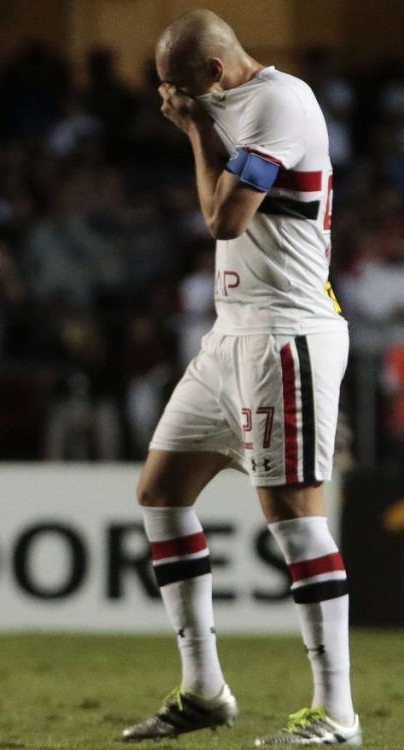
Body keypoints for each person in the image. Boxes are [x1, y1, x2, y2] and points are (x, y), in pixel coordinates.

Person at [122, 10, 359, 746]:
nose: (174, 101)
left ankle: (337, 711)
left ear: (215, 74)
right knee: (160, 492)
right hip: (231, 333)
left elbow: (225, 217)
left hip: (285, 335)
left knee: (291, 510)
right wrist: (199, 123)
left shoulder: (281, 105)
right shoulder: (237, 106)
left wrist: (195, 131)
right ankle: (205, 689)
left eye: (179, 89)